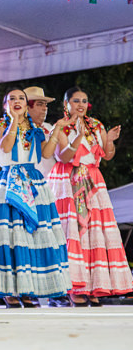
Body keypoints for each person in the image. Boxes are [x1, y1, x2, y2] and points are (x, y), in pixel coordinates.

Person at [0, 87, 71, 307]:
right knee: (9, 235)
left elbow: (47, 153)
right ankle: (8, 290)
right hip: (9, 179)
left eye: (20, 98)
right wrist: (14, 120)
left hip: (33, 180)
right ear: (5, 105)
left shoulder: (34, 127)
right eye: (11, 99)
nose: (16, 101)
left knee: (36, 235)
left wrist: (58, 129)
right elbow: (5, 146)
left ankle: (32, 290)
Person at [49, 86, 132, 305]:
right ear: (66, 104)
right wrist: (76, 136)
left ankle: (92, 285)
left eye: (84, 101)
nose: (80, 105)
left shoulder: (96, 125)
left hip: (93, 180)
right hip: (69, 181)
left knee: (94, 233)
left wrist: (110, 140)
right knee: (74, 231)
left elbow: (108, 156)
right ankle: (73, 287)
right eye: (75, 101)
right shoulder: (61, 127)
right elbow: (64, 157)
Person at [23, 86, 71, 307]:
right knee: (26, 238)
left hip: (46, 187)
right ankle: (28, 290)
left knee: (49, 238)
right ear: (28, 105)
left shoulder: (49, 127)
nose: (44, 108)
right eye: (40, 104)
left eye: (45, 104)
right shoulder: (12, 127)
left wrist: (56, 131)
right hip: (23, 184)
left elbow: (50, 153)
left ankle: (54, 290)